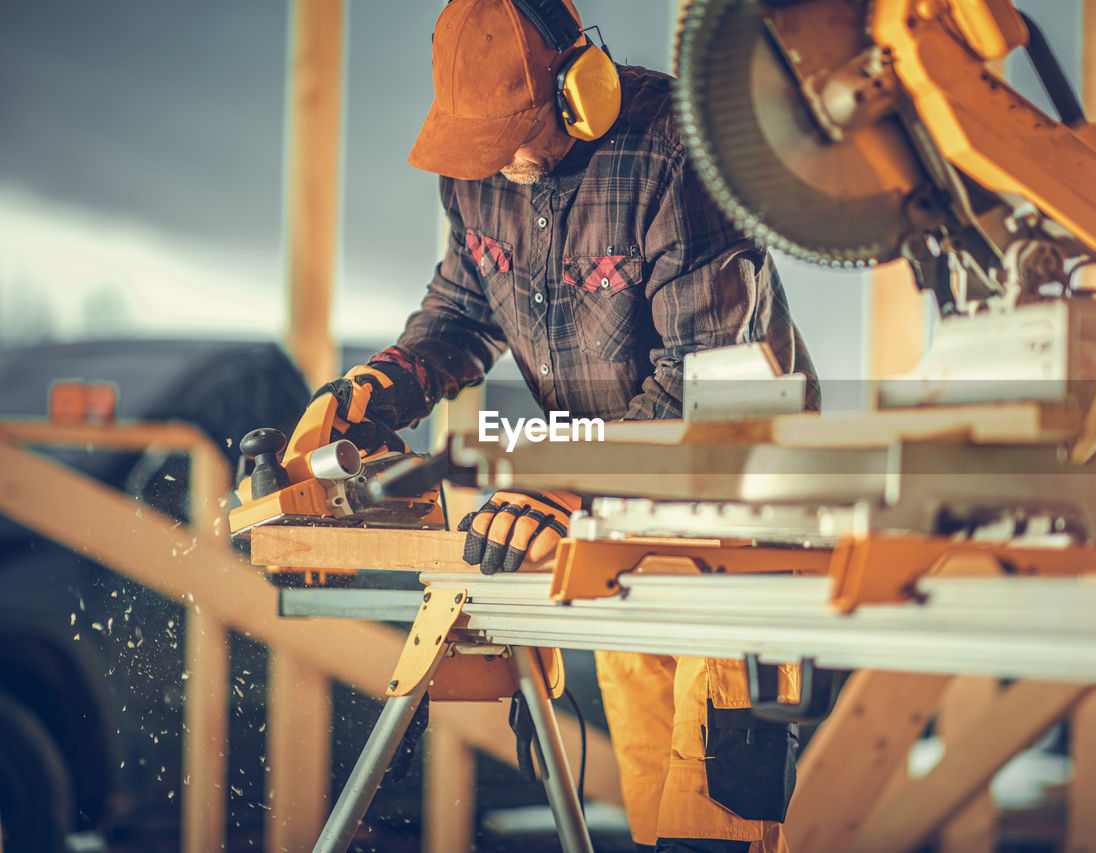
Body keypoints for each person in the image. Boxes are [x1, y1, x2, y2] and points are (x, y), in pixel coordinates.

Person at [317, 1, 820, 849]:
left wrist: (561, 480)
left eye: (517, 135)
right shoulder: (477, 166)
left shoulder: (675, 150)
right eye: (482, 144)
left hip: (737, 516)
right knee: (650, 789)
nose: (503, 163)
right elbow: (462, 308)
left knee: (714, 813)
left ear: (581, 85)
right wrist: (381, 389)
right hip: (608, 516)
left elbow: (705, 386)